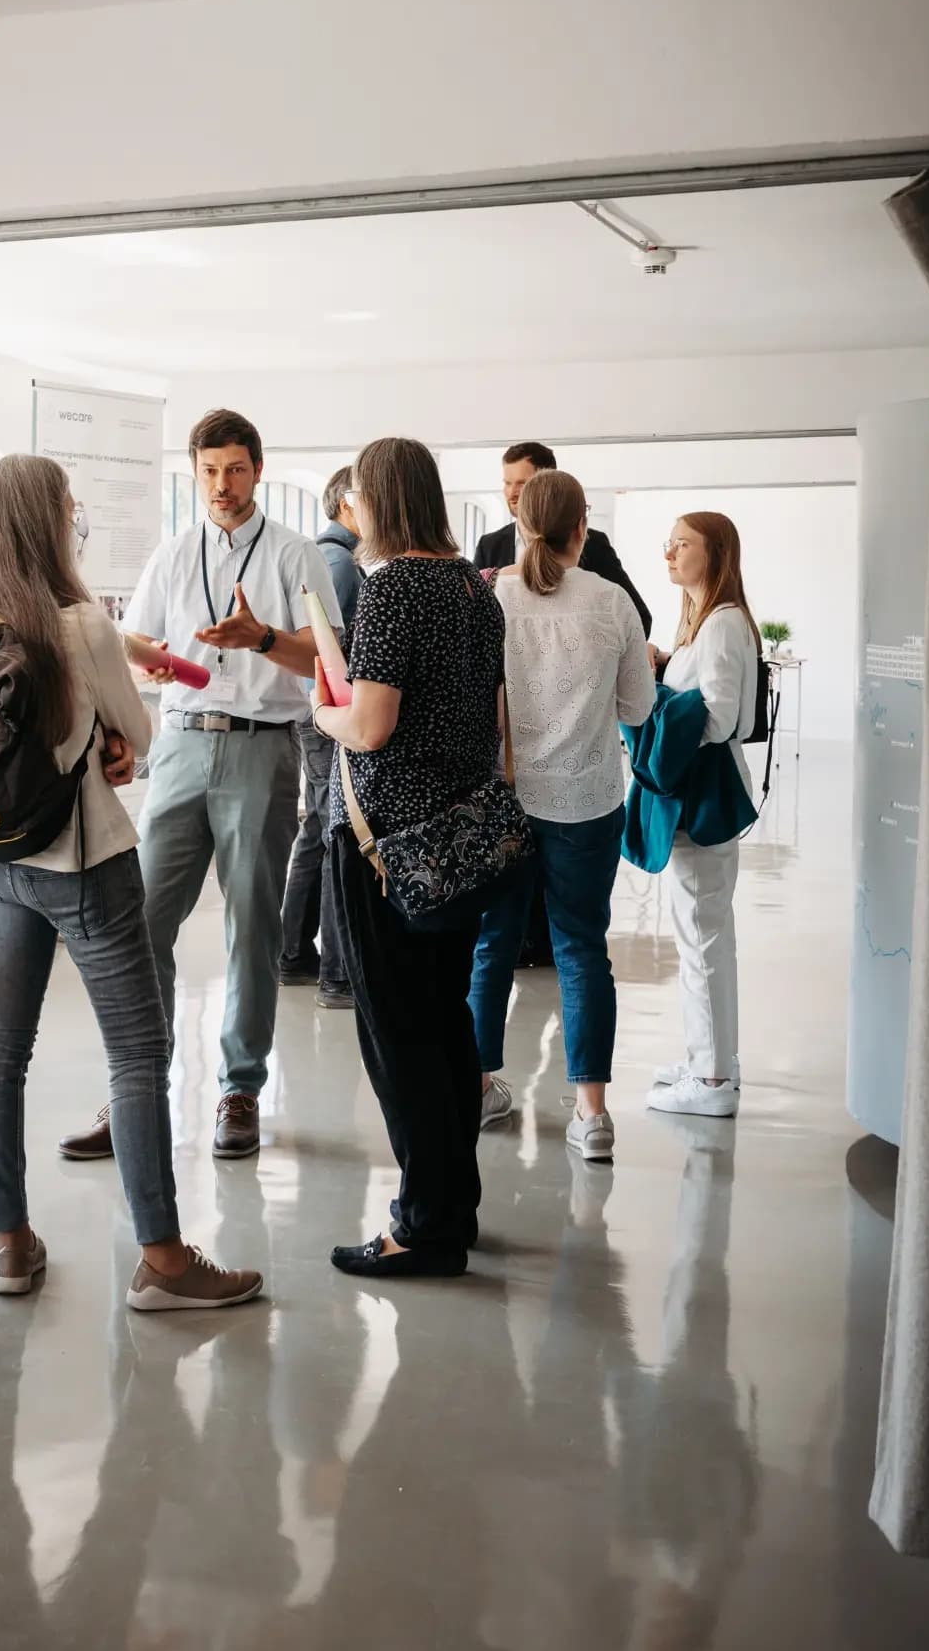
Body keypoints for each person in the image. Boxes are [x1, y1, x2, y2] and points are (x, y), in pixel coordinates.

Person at [0, 453, 261, 1309]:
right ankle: (164, 1262)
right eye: (68, 508)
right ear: (51, 522)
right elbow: (139, 732)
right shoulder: (78, 623)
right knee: (136, 1054)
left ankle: (10, 1246)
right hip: (84, 865)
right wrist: (117, 741)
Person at [59, 410, 343, 1165]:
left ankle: (239, 1089)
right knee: (142, 918)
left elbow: (328, 660)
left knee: (253, 926)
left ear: (258, 470)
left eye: (236, 469)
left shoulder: (295, 556)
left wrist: (262, 641)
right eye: (210, 471)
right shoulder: (173, 553)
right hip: (181, 744)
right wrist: (150, 661)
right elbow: (143, 642)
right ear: (195, 474)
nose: (223, 485)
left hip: (261, 749)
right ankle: (136, 1088)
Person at [315, 436, 505, 1278]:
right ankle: (450, 1207)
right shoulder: (472, 588)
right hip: (457, 840)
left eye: (355, 495)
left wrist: (320, 715)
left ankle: (423, 1228)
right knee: (445, 1026)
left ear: (377, 501)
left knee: (401, 1039)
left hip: (387, 846)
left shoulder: (391, 589)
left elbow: (369, 724)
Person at [468, 470, 656, 1163]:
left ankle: (478, 1085)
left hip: (506, 800)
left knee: (491, 946)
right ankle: (592, 1113)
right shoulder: (611, 604)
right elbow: (637, 709)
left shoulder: (491, 598)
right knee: (580, 949)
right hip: (585, 803)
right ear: (583, 527)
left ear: (520, 523)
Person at [646, 512, 760, 1118]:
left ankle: (712, 1080)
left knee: (701, 936)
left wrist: (652, 688)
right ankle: (710, 1060)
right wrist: (667, 666)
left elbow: (717, 717)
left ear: (715, 553)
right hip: (705, 794)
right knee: (707, 932)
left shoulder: (718, 625)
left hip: (700, 796)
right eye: (667, 544)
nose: (668, 554)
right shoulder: (710, 621)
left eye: (681, 544)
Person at [278, 463, 366, 1008]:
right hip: (327, 718)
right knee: (332, 832)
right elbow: (327, 658)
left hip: (321, 715)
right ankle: (329, 970)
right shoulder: (338, 562)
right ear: (347, 503)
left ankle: (293, 955)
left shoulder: (332, 558)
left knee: (319, 829)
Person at [473, 440, 652, 635]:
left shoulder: (593, 544)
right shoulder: (489, 545)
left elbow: (638, 617)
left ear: (547, 484)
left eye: (522, 484)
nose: (512, 494)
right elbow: (475, 619)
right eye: (507, 483)